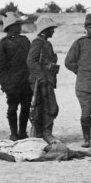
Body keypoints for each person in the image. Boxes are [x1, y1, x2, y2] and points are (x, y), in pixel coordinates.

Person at [64, 13, 91, 147]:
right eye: (90, 27)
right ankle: (86, 139)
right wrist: (80, 72)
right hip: (84, 85)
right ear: (85, 27)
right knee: (85, 113)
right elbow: (68, 62)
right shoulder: (79, 43)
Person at [0, 12, 32, 141]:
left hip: (26, 81)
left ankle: (22, 132)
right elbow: (0, 67)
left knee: (26, 107)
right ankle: (13, 133)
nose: (19, 27)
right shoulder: (2, 43)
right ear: (9, 26)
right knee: (12, 108)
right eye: (17, 25)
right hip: (12, 83)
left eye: (19, 25)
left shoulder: (25, 40)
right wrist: (5, 84)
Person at [26, 16, 61, 144]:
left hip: (46, 80)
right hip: (40, 81)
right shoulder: (38, 42)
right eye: (51, 29)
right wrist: (41, 77)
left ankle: (45, 133)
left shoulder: (46, 43)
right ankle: (43, 134)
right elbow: (31, 61)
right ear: (45, 29)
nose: (53, 31)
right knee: (45, 108)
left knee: (48, 107)